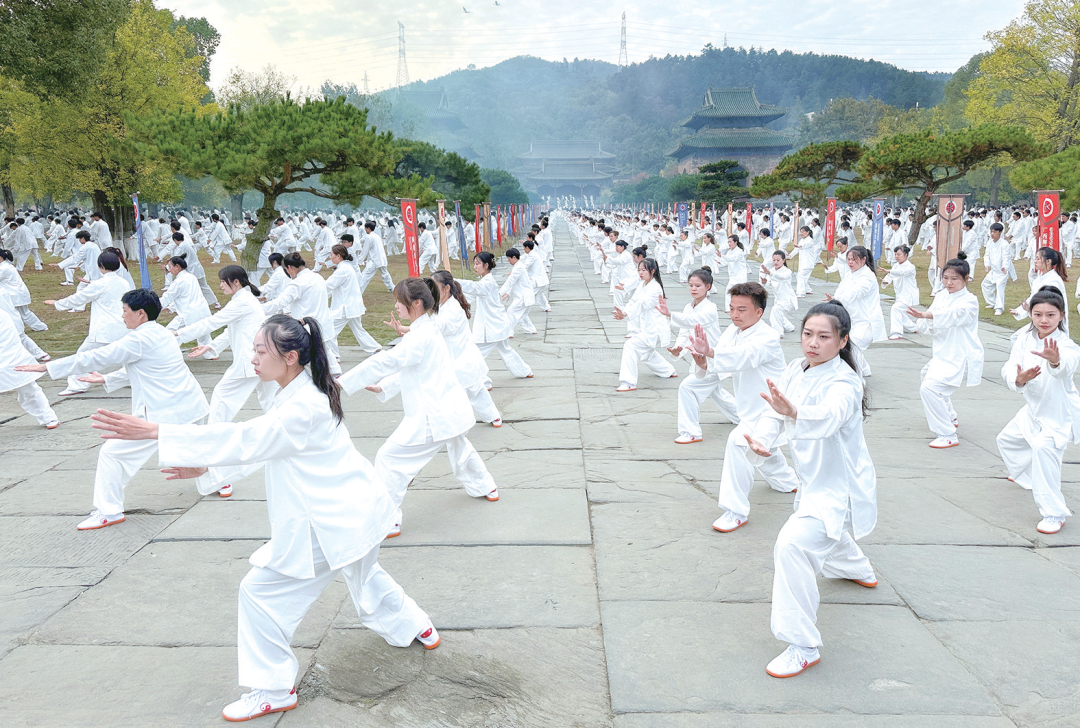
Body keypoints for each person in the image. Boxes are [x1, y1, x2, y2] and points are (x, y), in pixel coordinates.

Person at [88, 314, 439, 722]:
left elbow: (249, 438)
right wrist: (206, 468)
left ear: (290, 357)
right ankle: (417, 626)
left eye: (260, 351)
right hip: (358, 510)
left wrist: (158, 432)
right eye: (252, 349)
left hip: (334, 519)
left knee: (259, 593)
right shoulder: (301, 391)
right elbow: (266, 446)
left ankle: (273, 689)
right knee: (364, 572)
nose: (252, 358)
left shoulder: (302, 405)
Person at [742, 301, 878, 679]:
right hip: (813, 481)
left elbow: (831, 415)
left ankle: (802, 645)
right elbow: (774, 409)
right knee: (827, 535)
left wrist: (797, 413)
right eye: (807, 334)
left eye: (824, 336)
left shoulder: (845, 382)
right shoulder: (796, 368)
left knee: (793, 545)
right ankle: (859, 567)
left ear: (842, 340)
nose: (813, 343)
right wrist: (764, 440)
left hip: (839, 488)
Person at [18, 289, 209, 530]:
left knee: (113, 453)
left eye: (124, 311)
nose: (122, 316)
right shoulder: (161, 333)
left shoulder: (138, 339)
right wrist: (107, 380)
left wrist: (48, 368)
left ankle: (108, 511)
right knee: (202, 450)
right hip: (190, 405)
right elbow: (144, 366)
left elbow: (98, 356)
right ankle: (221, 483)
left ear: (140, 314)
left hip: (164, 413)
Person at [338, 278, 499, 537]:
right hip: (449, 409)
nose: (396, 306)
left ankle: (388, 518)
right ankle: (486, 487)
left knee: (390, 459)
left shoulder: (421, 335)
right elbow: (412, 367)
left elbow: (388, 361)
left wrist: (343, 383)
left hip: (433, 414)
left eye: (399, 302)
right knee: (460, 449)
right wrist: (384, 387)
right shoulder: (427, 328)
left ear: (416, 303)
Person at [683, 282, 799, 532]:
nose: (735, 314)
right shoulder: (732, 331)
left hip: (774, 407)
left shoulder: (767, 336)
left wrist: (711, 352)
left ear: (759, 312)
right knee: (761, 449)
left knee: (740, 442)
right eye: (732, 309)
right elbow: (718, 364)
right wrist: (702, 361)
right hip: (750, 408)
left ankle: (735, 511)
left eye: (742, 309)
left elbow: (743, 356)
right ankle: (787, 481)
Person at [997, 288, 1078, 535]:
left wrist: (1055, 361)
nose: (1044, 320)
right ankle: (1033, 478)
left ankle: (1054, 514)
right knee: (1006, 441)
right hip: (1032, 409)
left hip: (1057, 414)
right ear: (1030, 314)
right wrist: (1018, 378)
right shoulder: (1024, 338)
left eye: (1050, 315)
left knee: (1043, 450)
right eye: (1038, 314)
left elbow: (1066, 368)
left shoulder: (1067, 346)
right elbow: (1010, 365)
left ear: (1062, 316)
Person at [380, 270, 503, 427]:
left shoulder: (453, 310)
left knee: (471, 391)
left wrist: (405, 329)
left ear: (446, 289)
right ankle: (488, 417)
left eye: (435, 287)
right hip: (456, 359)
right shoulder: (443, 306)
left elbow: (435, 327)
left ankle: (487, 418)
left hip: (462, 360)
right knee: (472, 391)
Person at [174, 265, 277, 447]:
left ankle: (213, 436)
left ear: (236, 282)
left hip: (251, 360)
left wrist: (179, 334)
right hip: (262, 358)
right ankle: (283, 431)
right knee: (271, 399)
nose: (220, 285)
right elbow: (231, 329)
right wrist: (211, 346)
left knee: (223, 394)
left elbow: (213, 321)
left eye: (223, 281)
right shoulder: (243, 299)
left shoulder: (242, 301)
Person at [905, 253, 984, 449]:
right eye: (946, 278)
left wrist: (928, 316)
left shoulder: (970, 301)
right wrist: (925, 321)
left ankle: (947, 434)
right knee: (926, 376)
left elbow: (953, 316)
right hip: (942, 353)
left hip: (959, 354)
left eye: (955, 278)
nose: (949, 282)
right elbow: (927, 323)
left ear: (966, 279)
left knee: (930, 388)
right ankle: (949, 415)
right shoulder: (941, 295)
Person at [658, 267, 738, 443]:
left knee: (688, 387)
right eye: (691, 285)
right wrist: (678, 348)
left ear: (708, 287)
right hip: (700, 359)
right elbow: (685, 331)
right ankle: (744, 419)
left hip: (714, 359)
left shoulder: (710, 308)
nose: (693, 289)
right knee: (717, 393)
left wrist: (670, 314)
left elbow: (692, 321)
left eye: (698, 286)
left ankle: (691, 432)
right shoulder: (689, 306)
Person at [44, 251, 134, 396]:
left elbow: (79, 298)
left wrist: (57, 303)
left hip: (104, 329)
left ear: (101, 266)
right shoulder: (124, 282)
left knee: (82, 356)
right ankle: (130, 379)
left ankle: (77, 384)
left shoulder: (100, 284)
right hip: (124, 326)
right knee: (126, 357)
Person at [456, 252, 533, 380]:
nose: (475, 267)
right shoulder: (485, 281)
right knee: (506, 350)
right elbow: (472, 295)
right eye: (474, 263)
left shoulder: (488, 282)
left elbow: (475, 288)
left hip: (493, 327)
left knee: (476, 355)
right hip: (497, 325)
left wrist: (454, 282)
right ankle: (525, 371)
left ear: (486, 265)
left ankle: (483, 382)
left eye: (477, 264)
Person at [262, 253, 340, 376]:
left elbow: (279, 302)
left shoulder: (298, 283)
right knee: (326, 357)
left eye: (287, 271)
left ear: (290, 268)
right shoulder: (317, 277)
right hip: (322, 323)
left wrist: (257, 309)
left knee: (300, 358)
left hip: (307, 327)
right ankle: (335, 378)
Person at [615, 259, 676, 391]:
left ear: (652, 271)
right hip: (647, 328)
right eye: (639, 270)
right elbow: (633, 301)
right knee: (646, 354)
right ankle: (668, 370)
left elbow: (642, 304)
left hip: (654, 329)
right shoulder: (643, 285)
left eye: (644, 270)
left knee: (630, 345)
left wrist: (625, 314)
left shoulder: (655, 288)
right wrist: (624, 312)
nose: (640, 273)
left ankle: (629, 382)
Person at [826, 246, 886, 376]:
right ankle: (864, 369)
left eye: (854, 259)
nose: (850, 262)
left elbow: (855, 293)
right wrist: (834, 299)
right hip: (852, 320)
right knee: (850, 345)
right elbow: (840, 290)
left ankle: (856, 378)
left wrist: (837, 300)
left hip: (866, 322)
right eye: (848, 259)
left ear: (864, 260)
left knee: (851, 347)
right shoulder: (849, 274)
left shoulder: (868, 277)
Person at [0, 309, 59, 429]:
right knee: (28, 389)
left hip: (11, 357)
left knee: (28, 388)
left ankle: (48, 417)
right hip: (12, 358)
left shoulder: (2, 316)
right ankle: (48, 417)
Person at [325, 245, 381, 356]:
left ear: (338, 256)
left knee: (328, 330)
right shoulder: (345, 267)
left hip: (346, 307)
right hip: (352, 306)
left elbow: (328, 286)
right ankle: (375, 349)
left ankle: (334, 356)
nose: (330, 257)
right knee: (358, 330)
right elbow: (331, 288)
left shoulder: (343, 270)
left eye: (331, 254)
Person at [160, 256, 215, 359]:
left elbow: (168, 297)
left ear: (177, 267)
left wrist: (153, 307)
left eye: (170, 266)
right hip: (202, 310)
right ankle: (210, 354)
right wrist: (171, 308)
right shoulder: (191, 277)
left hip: (188, 314)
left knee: (171, 332)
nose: (169, 269)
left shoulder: (179, 282)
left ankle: (168, 355)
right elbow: (184, 295)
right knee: (204, 335)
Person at [0, 248, 48, 331]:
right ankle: (39, 327)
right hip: (15, 293)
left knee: (21, 313)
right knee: (22, 313)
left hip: (15, 294)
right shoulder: (5, 266)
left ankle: (39, 327)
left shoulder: (4, 268)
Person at [882, 245, 920, 340]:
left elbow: (902, 272)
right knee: (899, 311)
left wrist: (890, 271)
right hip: (900, 295)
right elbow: (891, 276)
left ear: (906, 255)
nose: (896, 256)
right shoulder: (895, 266)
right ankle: (913, 327)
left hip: (909, 295)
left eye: (899, 254)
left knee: (896, 309)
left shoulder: (910, 267)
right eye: (895, 254)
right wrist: (885, 281)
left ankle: (897, 332)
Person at [500, 247, 537, 335]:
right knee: (522, 315)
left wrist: (500, 292)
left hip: (523, 297)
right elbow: (513, 282)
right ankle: (531, 330)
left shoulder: (518, 268)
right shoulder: (518, 266)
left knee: (511, 312)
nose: (509, 261)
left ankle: (508, 332)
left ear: (514, 258)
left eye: (509, 259)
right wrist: (507, 293)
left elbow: (510, 281)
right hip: (525, 296)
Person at [761, 250, 797, 337]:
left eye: (778, 260)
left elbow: (781, 277)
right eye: (774, 260)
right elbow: (768, 284)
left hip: (787, 299)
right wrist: (764, 282)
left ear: (784, 260)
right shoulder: (772, 270)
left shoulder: (787, 272)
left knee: (775, 310)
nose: (775, 262)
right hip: (778, 299)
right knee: (777, 312)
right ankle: (789, 327)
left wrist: (770, 274)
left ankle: (778, 332)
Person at [358, 220, 394, 293]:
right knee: (385, 274)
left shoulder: (369, 237)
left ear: (368, 228)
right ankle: (392, 288)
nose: (365, 230)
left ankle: (358, 290)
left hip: (374, 260)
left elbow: (365, 250)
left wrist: (359, 261)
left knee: (365, 275)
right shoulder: (376, 236)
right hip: (381, 259)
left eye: (366, 228)